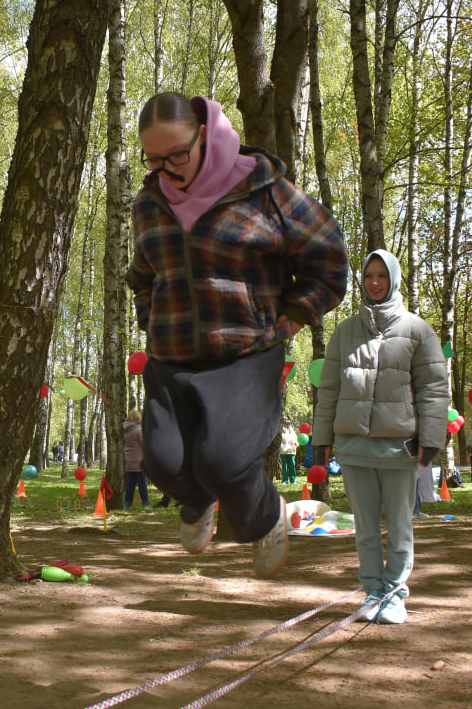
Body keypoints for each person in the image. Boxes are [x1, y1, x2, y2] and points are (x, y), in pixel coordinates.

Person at [127, 91, 348, 580]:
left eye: (177, 154)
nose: (167, 169)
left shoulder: (267, 192)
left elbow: (329, 261)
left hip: (246, 351)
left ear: (204, 135)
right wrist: (151, 316)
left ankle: (266, 517)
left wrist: (293, 314)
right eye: (154, 159)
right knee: (162, 465)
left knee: (223, 462)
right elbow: (143, 274)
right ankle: (196, 502)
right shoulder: (149, 203)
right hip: (172, 355)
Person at [311, 250, 448, 625]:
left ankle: (394, 594)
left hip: (399, 447)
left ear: (393, 280)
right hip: (353, 447)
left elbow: (434, 390)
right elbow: (330, 390)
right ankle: (372, 591)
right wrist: (321, 440)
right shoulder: (345, 330)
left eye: (381, 276)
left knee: (400, 527)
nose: (374, 282)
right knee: (366, 529)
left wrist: (431, 438)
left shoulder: (418, 330)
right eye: (369, 276)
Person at [123, 410, 151, 509]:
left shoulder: (125, 430)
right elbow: (144, 445)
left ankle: (127, 504)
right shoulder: (139, 430)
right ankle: (145, 503)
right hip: (140, 461)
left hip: (129, 461)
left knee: (130, 484)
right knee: (142, 483)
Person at [279, 418, 299, 484]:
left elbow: (296, 441)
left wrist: (296, 444)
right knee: (284, 467)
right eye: (286, 423)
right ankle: (285, 480)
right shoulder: (281, 432)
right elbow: (280, 441)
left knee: (292, 466)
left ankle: (293, 480)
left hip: (292, 451)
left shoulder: (293, 432)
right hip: (284, 452)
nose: (288, 425)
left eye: (289, 423)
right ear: (283, 424)